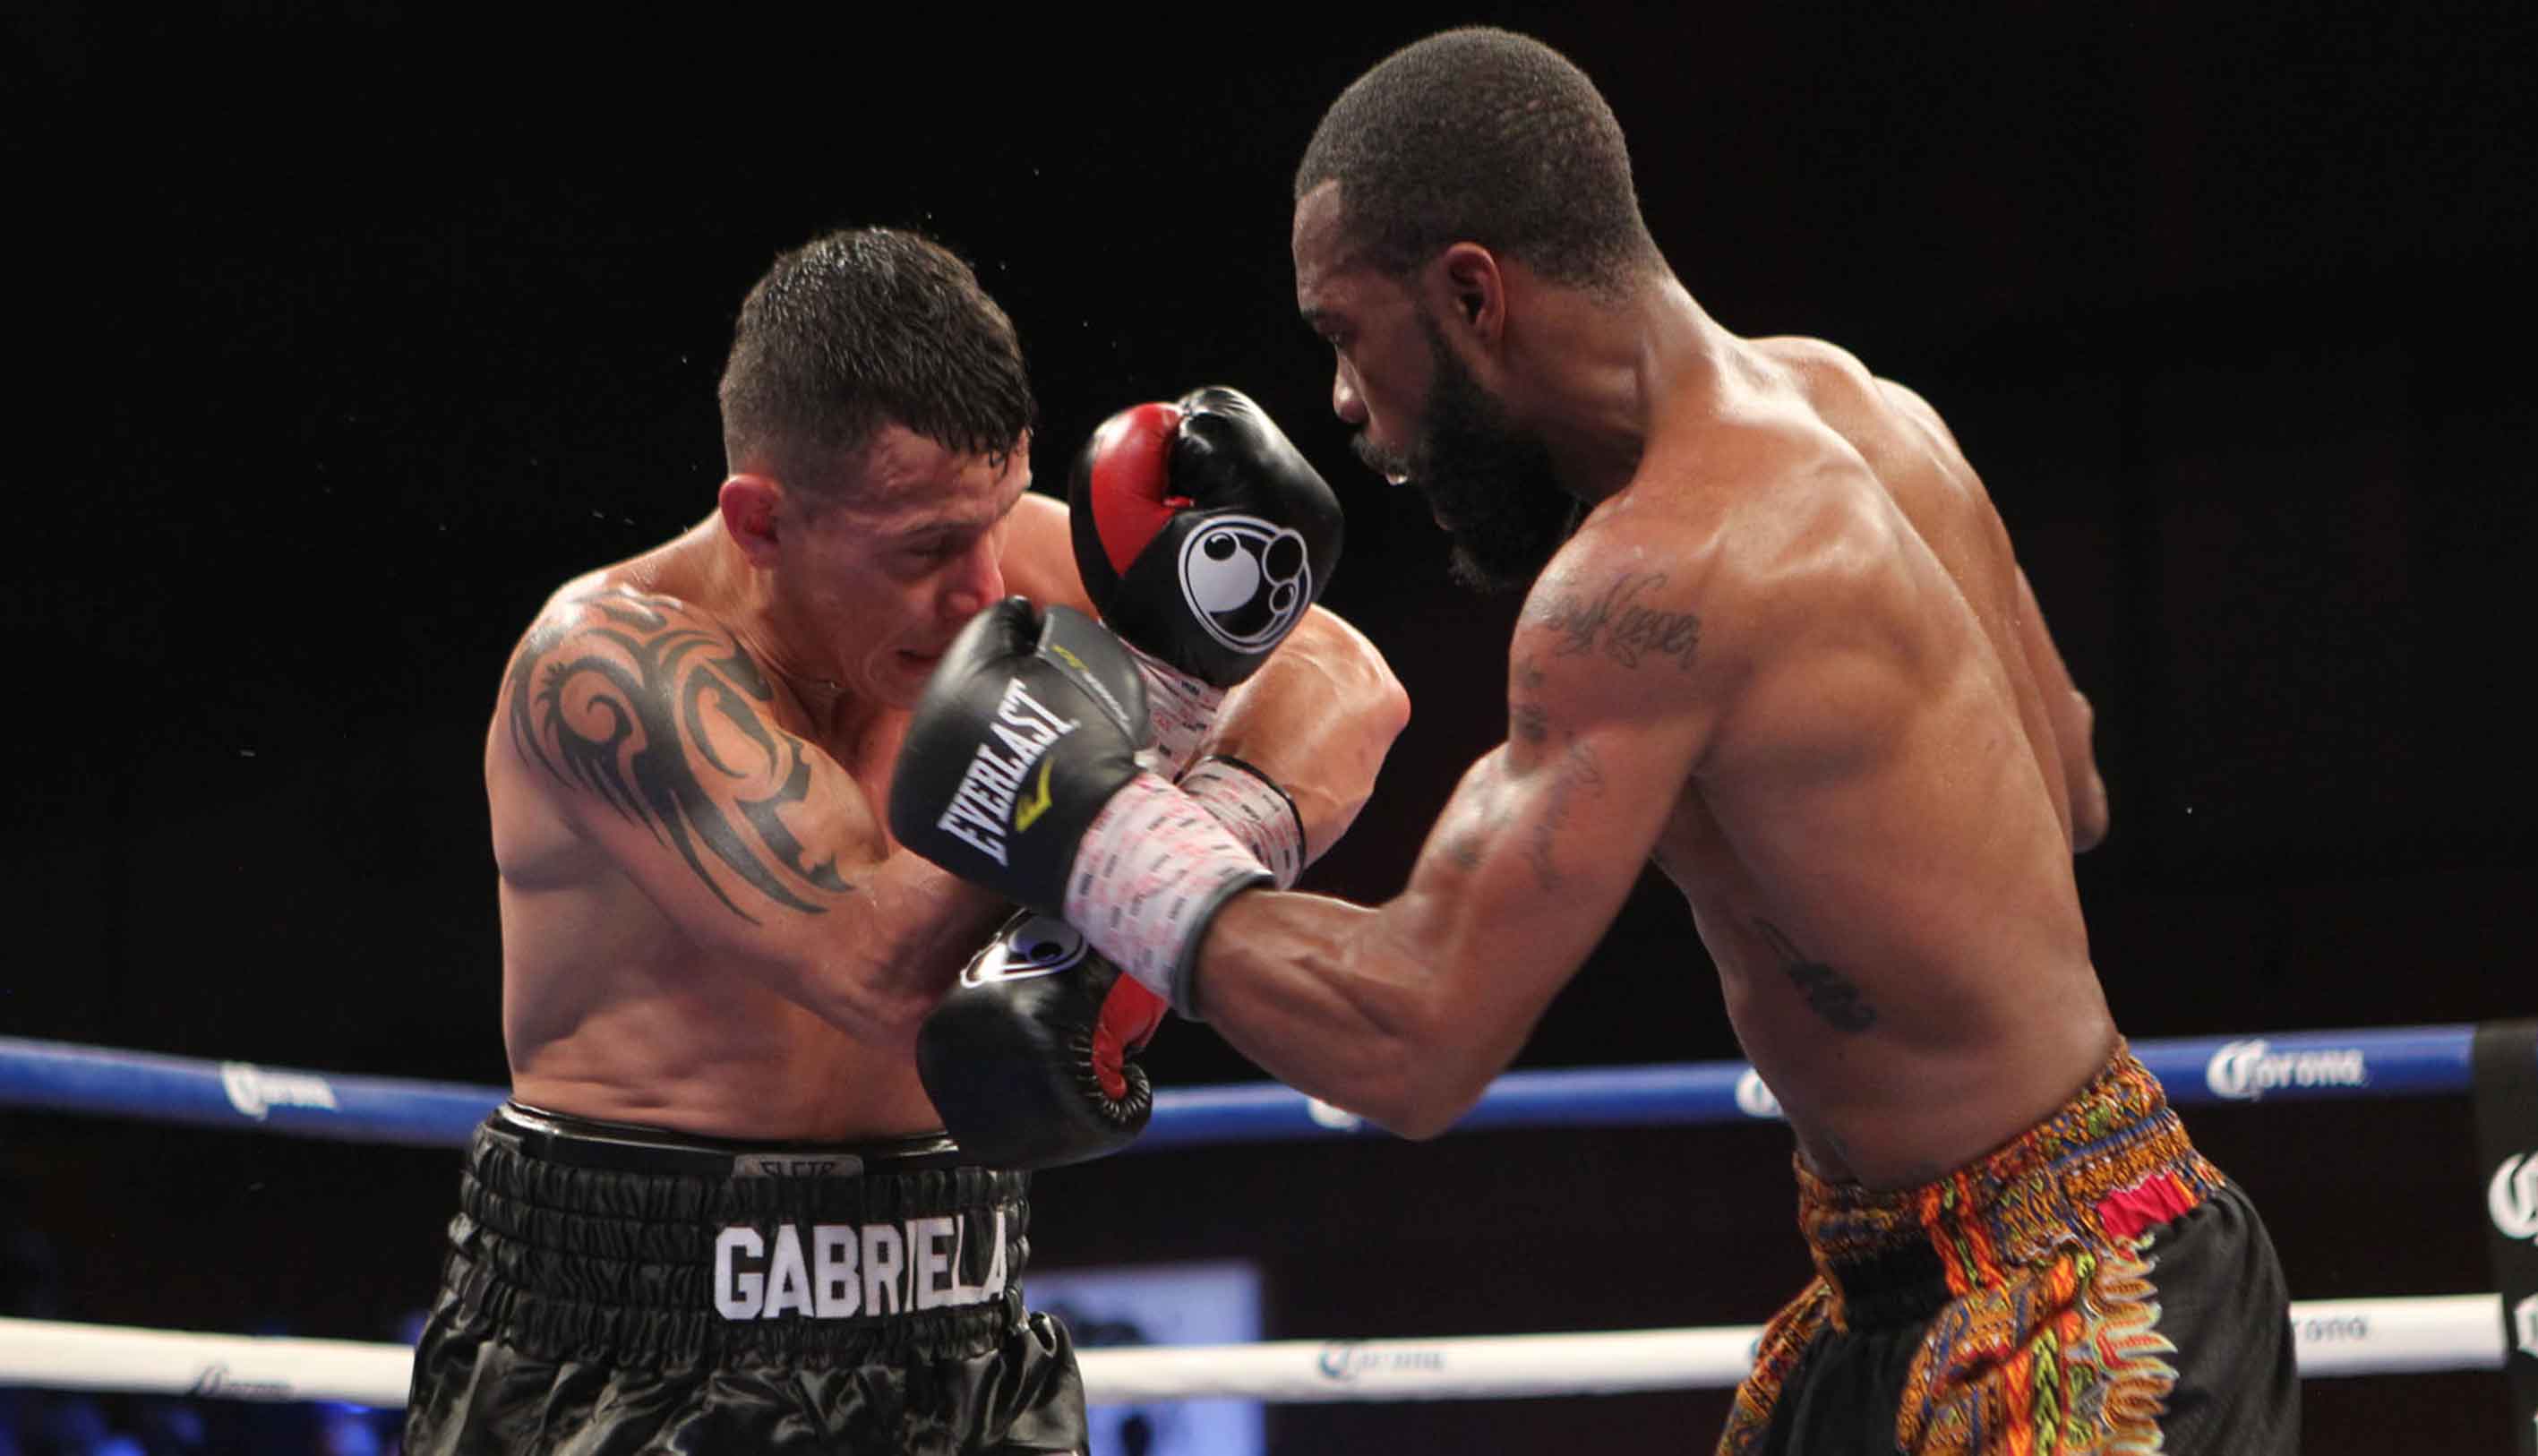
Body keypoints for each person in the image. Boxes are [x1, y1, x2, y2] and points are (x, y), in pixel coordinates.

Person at [887, 30, 2296, 1455]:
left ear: (1472, 294)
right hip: (1971, 1265)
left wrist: (1094, 833)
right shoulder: (1863, 409)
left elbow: (1418, 1036)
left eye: (1343, 333)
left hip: (2063, 1320)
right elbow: (2069, 787)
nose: (1341, 403)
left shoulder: (1646, 582)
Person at [402, 227, 1406, 1455]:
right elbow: (875, 966)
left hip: (962, 1335)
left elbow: (1350, 687)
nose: (986, 586)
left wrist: (1169, 856)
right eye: (928, 547)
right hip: (635, 1357)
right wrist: (1135, 721)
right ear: (761, 522)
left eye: (995, 516)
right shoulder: (606, 672)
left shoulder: (981, 556)